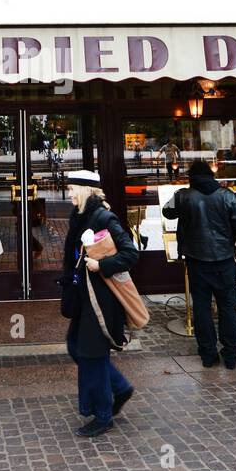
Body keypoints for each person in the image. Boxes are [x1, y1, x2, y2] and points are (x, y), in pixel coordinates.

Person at [60, 170, 139, 438]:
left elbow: (130, 253)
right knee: (76, 345)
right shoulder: (80, 216)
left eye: (72, 189)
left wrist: (101, 265)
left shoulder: (104, 217)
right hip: (84, 297)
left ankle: (103, 416)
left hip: (100, 301)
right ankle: (120, 387)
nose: (69, 194)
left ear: (85, 190)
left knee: (92, 354)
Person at [162, 161, 236, 368]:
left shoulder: (184, 196)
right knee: (228, 308)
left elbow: (167, 212)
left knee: (202, 308)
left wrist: (180, 196)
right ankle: (231, 355)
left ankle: (208, 354)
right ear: (211, 176)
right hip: (224, 260)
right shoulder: (227, 196)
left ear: (192, 177)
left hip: (196, 260)